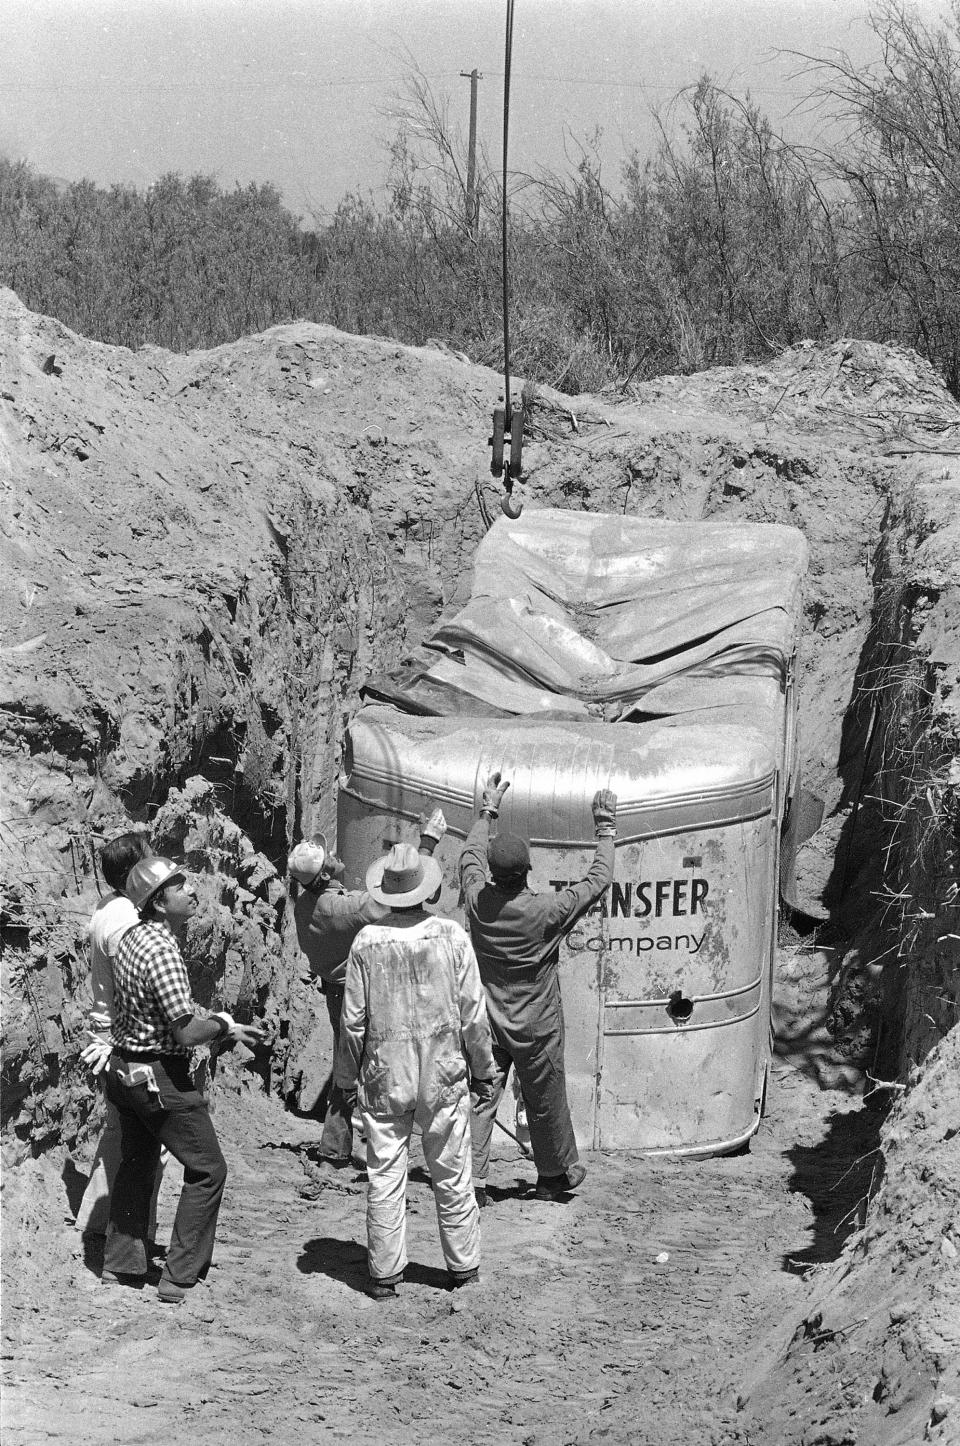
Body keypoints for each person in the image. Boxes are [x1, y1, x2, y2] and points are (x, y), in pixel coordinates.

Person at [334, 842, 496, 1300]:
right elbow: (473, 1015)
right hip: (442, 1071)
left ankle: (384, 1273)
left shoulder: (366, 941)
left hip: (386, 1073)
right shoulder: (451, 936)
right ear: (427, 888)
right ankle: (463, 1267)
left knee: (385, 1172)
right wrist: (483, 1068)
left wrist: (346, 1079)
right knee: (452, 1169)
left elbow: (352, 1022)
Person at [101, 856, 264, 1304]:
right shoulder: (163, 949)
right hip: (159, 1076)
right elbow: (187, 1031)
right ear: (157, 903)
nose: (192, 891)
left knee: (136, 1162)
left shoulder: (130, 938)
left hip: (123, 1069)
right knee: (208, 1169)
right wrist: (224, 1025)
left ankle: (121, 1263)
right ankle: (178, 1276)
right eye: (180, 886)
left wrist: (220, 1024)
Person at [460, 773, 617, 1203]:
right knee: (545, 1098)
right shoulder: (546, 912)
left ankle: (471, 1182)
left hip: (489, 1022)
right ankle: (552, 1177)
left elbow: (469, 856)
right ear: (527, 870)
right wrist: (605, 828)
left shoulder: (476, 901)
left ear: (492, 872)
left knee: (482, 1097)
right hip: (537, 1027)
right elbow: (597, 880)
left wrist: (487, 811)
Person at [288, 810, 446, 1166]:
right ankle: (364, 1144)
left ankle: (334, 1145)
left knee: (346, 1063)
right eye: (329, 858)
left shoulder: (309, 905)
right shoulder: (341, 908)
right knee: (367, 1065)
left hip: (336, 990)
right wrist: (428, 843)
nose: (335, 856)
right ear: (324, 874)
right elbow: (399, 896)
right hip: (355, 994)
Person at [76, 832, 157, 1240]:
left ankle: (94, 1223)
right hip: (121, 1034)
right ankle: (125, 1232)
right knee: (143, 1140)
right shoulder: (125, 917)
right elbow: (136, 981)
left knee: (119, 1132)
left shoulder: (110, 906)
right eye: (149, 856)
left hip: (106, 1030)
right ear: (134, 871)